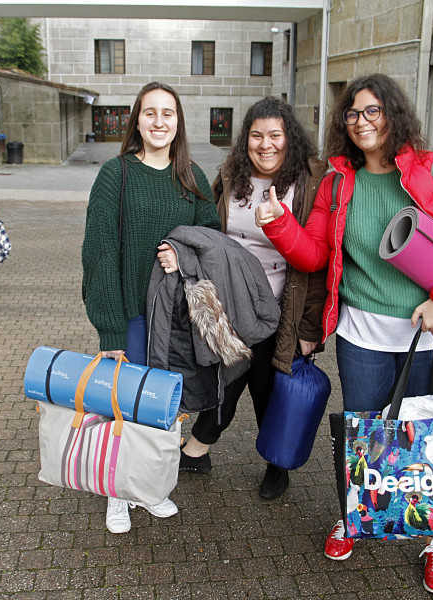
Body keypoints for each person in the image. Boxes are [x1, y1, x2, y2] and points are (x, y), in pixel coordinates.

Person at [256, 74, 433, 595]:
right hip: (363, 334)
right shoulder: (336, 181)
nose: (361, 122)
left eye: (372, 111)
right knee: (366, 435)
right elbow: (314, 254)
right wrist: (278, 224)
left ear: (393, 114)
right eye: (352, 114)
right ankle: (358, 516)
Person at [81, 82, 221, 534]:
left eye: (169, 113)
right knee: (125, 407)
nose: (159, 121)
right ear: (137, 120)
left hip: (178, 319)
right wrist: (110, 330)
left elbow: (212, 243)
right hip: (134, 317)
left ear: (178, 122)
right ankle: (117, 495)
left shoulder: (194, 178)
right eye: (150, 113)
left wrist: (184, 256)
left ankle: (150, 487)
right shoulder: (115, 174)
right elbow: (100, 252)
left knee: (163, 411)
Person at [174, 97, 328, 501]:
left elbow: (319, 260)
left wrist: (310, 326)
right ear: (246, 141)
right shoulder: (230, 175)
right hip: (231, 306)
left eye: (275, 135)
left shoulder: (311, 180)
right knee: (226, 376)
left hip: (283, 309)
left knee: (267, 385)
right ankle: (201, 447)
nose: (265, 144)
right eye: (256, 136)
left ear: (289, 138)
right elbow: (208, 229)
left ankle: (273, 464)